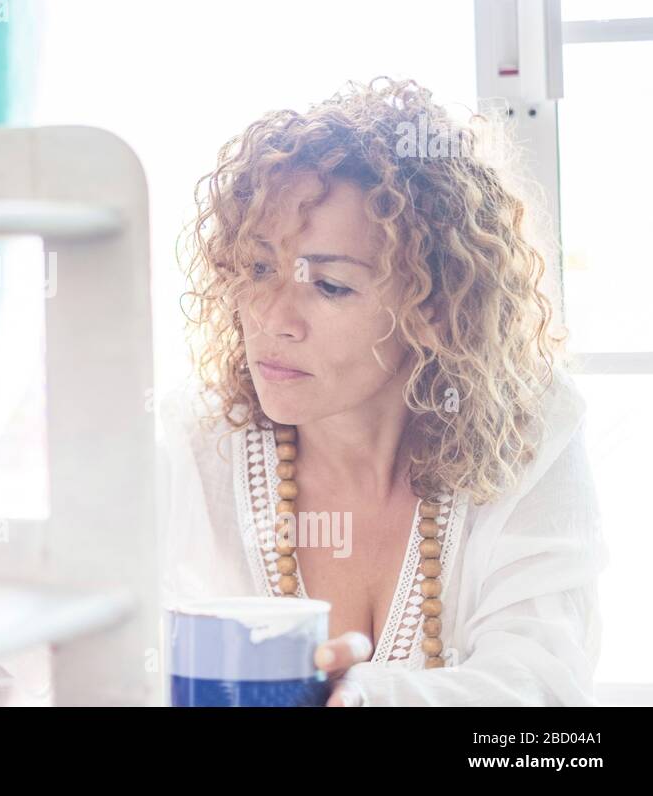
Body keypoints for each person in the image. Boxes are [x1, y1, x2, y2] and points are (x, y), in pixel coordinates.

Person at [159, 77, 609, 705]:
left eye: (330, 285)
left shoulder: (525, 431)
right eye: (259, 269)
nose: (270, 317)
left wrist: (366, 698)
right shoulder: (190, 445)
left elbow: (543, 702)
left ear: (435, 304)